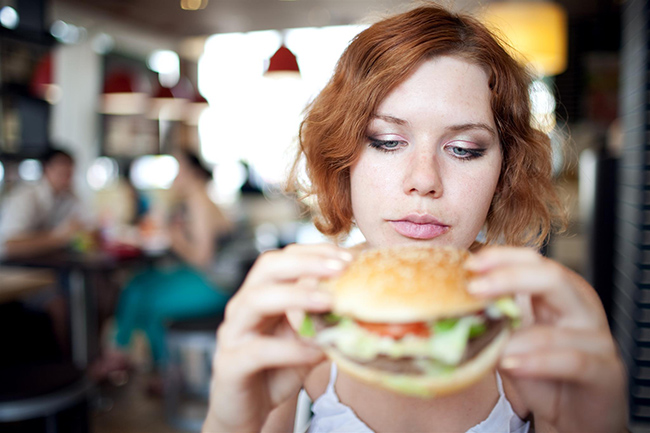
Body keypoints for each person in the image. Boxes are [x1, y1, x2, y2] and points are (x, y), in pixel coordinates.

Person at [202, 3, 627, 433]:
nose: (424, 180)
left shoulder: (544, 315)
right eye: (387, 141)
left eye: (464, 149)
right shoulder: (302, 310)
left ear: (504, 171)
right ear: (342, 157)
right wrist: (226, 422)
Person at [99, 149, 234, 387]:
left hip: (215, 284)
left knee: (147, 300)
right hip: (208, 278)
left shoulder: (198, 199)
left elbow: (203, 258)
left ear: (191, 172)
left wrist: (173, 235)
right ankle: (153, 366)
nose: (172, 177)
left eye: (176, 169)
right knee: (137, 283)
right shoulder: (194, 199)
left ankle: (136, 361)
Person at [0, 148, 83, 259]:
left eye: (70, 174)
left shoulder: (68, 198)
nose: (67, 179)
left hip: (46, 265)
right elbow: (8, 246)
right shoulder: (25, 197)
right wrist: (59, 238)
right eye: (62, 173)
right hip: (17, 269)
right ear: (46, 169)